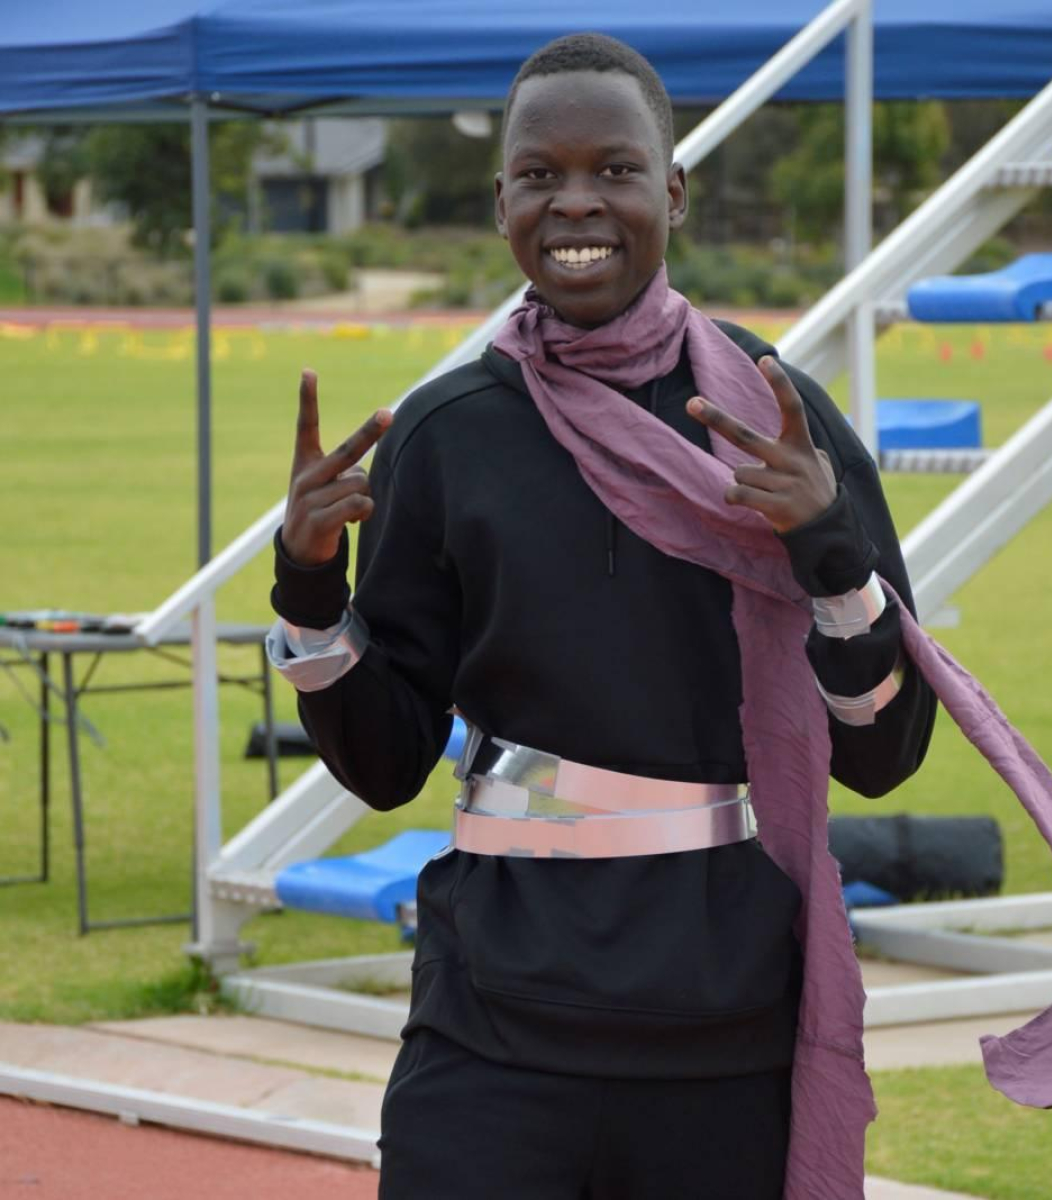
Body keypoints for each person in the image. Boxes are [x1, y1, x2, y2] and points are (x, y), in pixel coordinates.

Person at [267, 32, 938, 1200]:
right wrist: (311, 591)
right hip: (491, 1015)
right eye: (541, 175)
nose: (576, 202)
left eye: (615, 170)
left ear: (672, 192)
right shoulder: (447, 433)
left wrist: (831, 555)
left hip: (719, 1015)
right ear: (502, 203)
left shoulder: (775, 421)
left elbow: (886, 755)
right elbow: (384, 764)